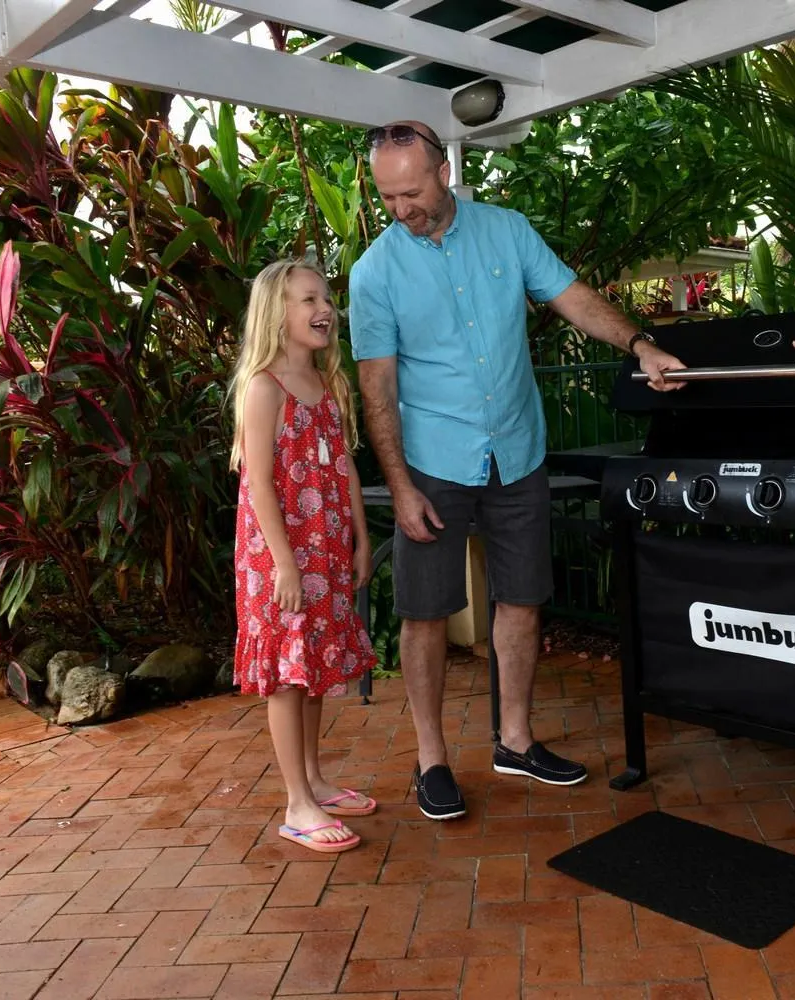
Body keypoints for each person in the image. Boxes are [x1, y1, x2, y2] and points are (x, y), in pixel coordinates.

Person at [349, 120, 686, 821]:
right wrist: (402, 486)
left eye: (411, 191)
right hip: (434, 465)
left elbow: (573, 297)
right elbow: (377, 390)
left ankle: (515, 740)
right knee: (425, 614)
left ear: (444, 173)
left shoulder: (507, 230)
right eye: (387, 197)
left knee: (523, 599)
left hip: (517, 453)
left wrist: (640, 342)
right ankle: (432, 759)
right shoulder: (374, 272)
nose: (401, 208)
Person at [230, 258, 380, 854]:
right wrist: (287, 563)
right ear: (276, 313)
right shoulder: (264, 387)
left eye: (325, 298)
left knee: (312, 668)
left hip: (325, 544)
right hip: (280, 554)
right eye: (307, 300)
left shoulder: (327, 383)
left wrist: (361, 536)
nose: (324, 310)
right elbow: (259, 483)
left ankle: (314, 779)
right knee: (287, 678)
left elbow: (343, 466)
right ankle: (296, 803)